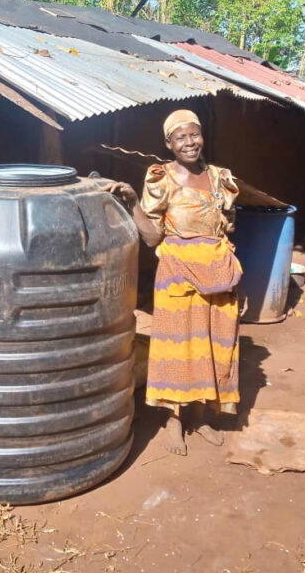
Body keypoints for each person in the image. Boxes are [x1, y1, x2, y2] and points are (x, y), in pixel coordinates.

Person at [102, 109, 241, 456]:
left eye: (194, 135)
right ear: (169, 143)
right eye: (181, 138)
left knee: (210, 344)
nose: (189, 143)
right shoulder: (161, 179)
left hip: (218, 272)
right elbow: (151, 238)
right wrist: (134, 204)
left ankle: (201, 415)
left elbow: (228, 226)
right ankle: (174, 420)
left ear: (202, 136)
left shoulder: (220, 177)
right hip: (178, 272)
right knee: (177, 348)